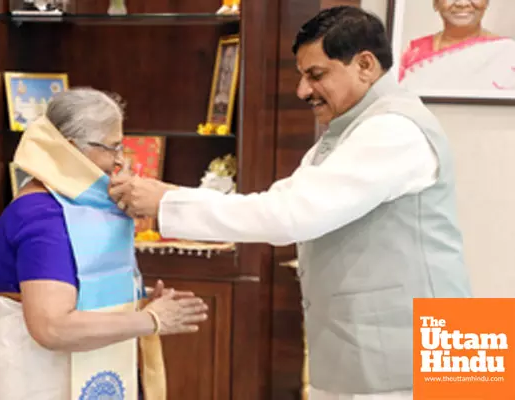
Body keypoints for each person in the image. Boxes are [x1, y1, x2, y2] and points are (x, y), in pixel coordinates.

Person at [109, 6, 473, 400]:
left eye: (316, 75)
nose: (302, 90)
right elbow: (281, 201)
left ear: (365, 65)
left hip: (424, 355)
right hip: (382, 352)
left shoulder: (393, 129)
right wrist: (172, 196)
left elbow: (290, 216)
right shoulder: (350, 129)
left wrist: (168, 203)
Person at [0, 88, 208, 399]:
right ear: (70, 149)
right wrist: (151, 320)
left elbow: (77, 286)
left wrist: (136, 299)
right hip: (41, 380)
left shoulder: (77, 207)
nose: (120, 161)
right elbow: (51, 327)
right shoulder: (43, 215)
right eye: (112, 148)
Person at [399, 0, 515, 91]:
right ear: (435, 3)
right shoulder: (413, 53)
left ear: (487, 2)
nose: (462, 3)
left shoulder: (507, 53)